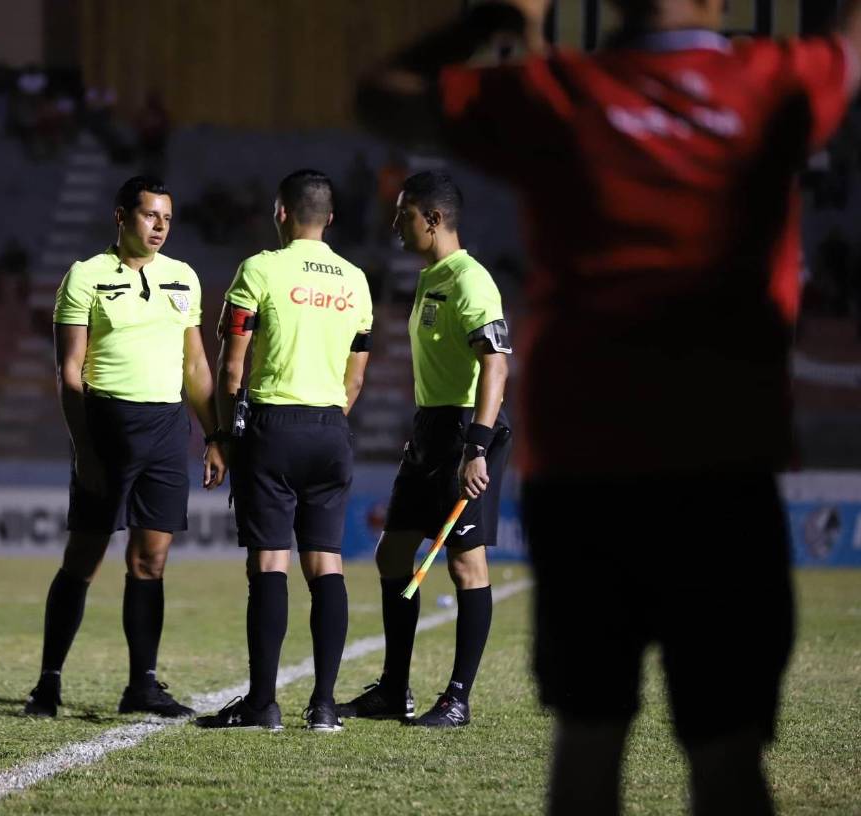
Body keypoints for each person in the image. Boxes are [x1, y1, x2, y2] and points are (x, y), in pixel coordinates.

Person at [357, 0, 861, 813]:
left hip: (587, 468)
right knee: (728, 755)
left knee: (588, 744)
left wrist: (496, 16)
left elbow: (380, 94)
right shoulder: (769, 82)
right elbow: (848, 41)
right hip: (724, 464)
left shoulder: (559, 91)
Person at [24, 175, 226, 719]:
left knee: (151, 561)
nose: (159, 226)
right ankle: (48, 682)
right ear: (121, 217)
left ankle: (143, 684)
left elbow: (196, 366)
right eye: (148, 215)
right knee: (83, 559)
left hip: (167, 430)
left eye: (166, 217)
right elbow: (69, 373)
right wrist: (84, 450)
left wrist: (214, 434)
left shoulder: (183, 278)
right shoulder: (85, 276)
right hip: (107, 428)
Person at [196, 169, 373, 732]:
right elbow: (357, 375)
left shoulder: (259, 269)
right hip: (329, 427)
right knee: (326, 562)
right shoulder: (356, 280)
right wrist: (327, 419)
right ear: (330, 218)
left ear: (281, 213)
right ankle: (324, 707)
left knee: (269, 562)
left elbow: (230, 365)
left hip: (271, 426)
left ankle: (263, 705)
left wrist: (222, 437)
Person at [337, 170, 511, 728]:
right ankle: (393, 689)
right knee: (393, 554)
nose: (394, 224)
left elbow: (496, 364)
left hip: (466, 433)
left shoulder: (470, 280)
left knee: (466, 565)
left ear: (433, 219)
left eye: (403, 213)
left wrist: (476, 447)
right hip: (432, 431)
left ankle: (457, 698)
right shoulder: (431, 278)